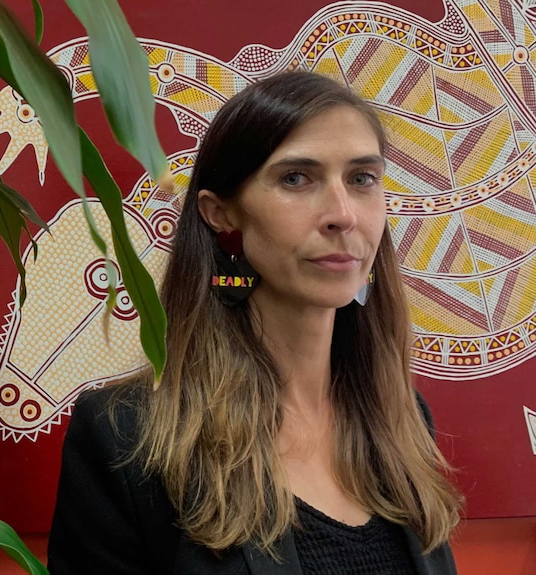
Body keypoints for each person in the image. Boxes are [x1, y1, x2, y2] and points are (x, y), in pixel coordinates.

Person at [47, 71, 462, 574]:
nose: (342, 214)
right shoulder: (128, 435)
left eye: (362, 179)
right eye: (296, 178)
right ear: (221, 213)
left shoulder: (404, 416)